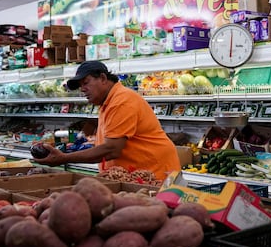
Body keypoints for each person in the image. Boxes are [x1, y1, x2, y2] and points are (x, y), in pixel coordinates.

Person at [34, 60, 181, 180]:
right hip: (136, 175)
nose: (82, 89)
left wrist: (64, 158)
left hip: (156, 175)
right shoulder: (107, 102)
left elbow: (111, 150)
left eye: (86, 83)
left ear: (103, 78)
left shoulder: (121, 101)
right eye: (80, 86)